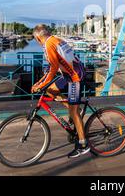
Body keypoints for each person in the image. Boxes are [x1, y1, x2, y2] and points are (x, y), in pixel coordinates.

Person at [31, 24, 90, 158]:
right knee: (51, 91)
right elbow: (58, 63)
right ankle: (74, 109)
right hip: (71, 73)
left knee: (73, 113)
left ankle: (83, 145)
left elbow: (52, 69)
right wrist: (43, 83)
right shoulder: (57, 39)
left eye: (36, 40)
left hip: (75, 77)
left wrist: (39, 84)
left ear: (38, 37)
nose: (37, 42)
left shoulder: (48, 44)